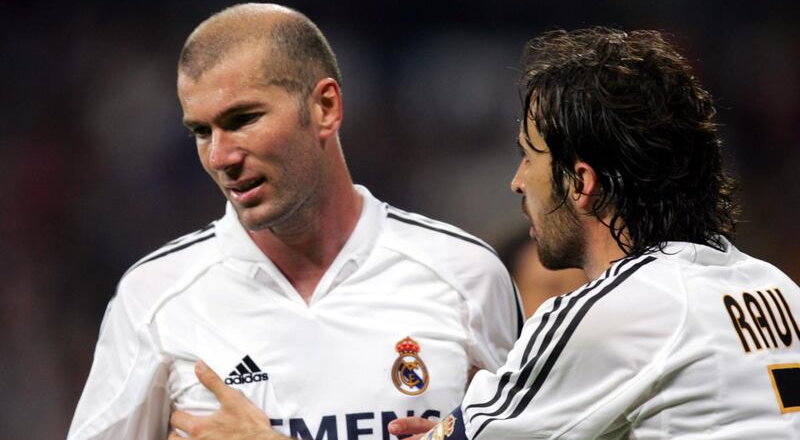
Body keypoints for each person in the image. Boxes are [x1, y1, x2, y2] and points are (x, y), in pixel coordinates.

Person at [173, 26, 800, 439]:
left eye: (530, 156)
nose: (517, 182)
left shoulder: (618, 311)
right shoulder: (773, 288)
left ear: (582, 183)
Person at [67, 3, 522, 440]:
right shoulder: (155, 299)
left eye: (243, 118)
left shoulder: (467, 276)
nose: (220, 157)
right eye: (201, 132)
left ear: (325, 107)